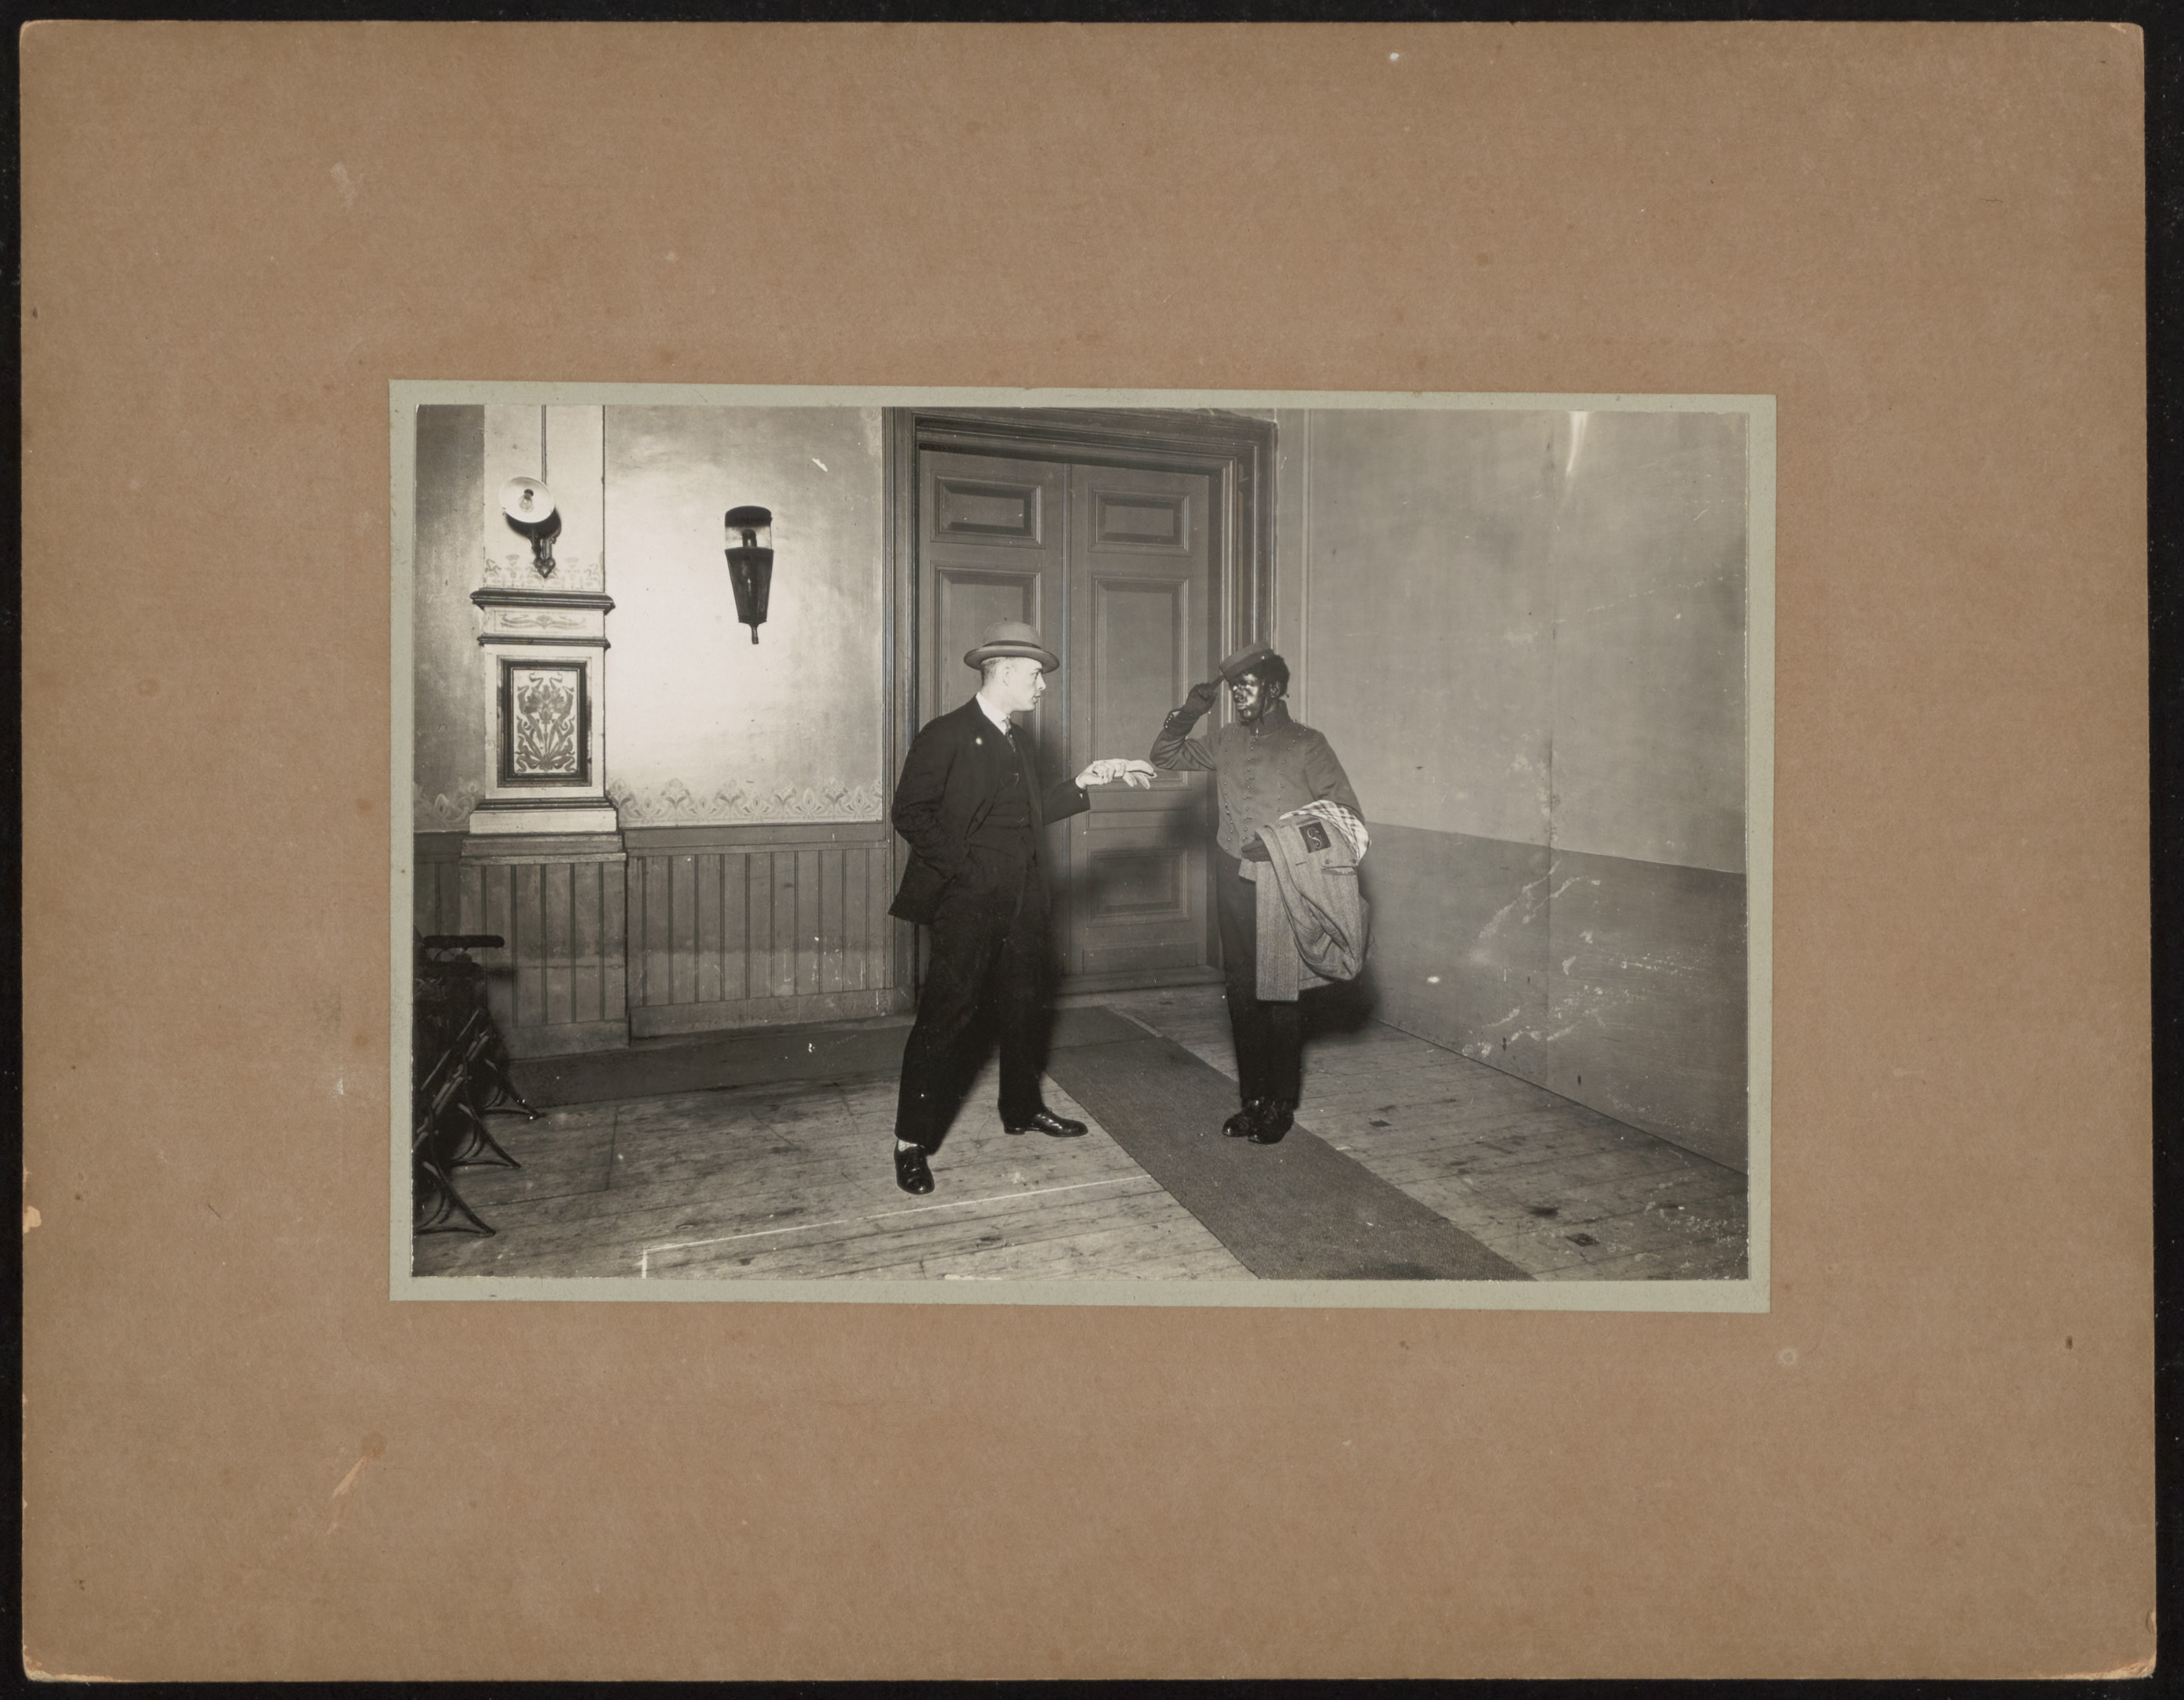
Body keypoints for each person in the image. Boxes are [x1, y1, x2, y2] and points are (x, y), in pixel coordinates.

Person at [886, 620, 1155, 1194]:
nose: (1042, 686)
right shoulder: (946, 733)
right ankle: (911, 1142)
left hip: (1024, 899)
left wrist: (1084, 781)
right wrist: (967, 868)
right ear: (1005, 672)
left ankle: (1022, 1108)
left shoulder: (1020, 739)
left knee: (1024, 1006)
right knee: (945, 1018)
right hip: (967, 902)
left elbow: (1027, 813)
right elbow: (909, 811)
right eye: (1035, 675)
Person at [1150, 643, 1362, 1145]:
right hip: (1231, 877)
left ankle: (1281, 1104)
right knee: (1242, 990)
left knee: (1281, 991)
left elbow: (1346, 818)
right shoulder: (1226, 738)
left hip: (1282, 879)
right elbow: (1164, 756)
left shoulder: (1308, 743)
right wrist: (1191, 711)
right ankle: (1253, 1101)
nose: (1238, 698)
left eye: (1245, 687)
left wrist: (1283, 844)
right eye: (1233, 690)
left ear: (1273, 688)